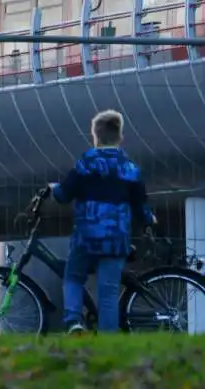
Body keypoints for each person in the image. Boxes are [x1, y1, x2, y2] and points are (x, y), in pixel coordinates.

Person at [48, 109, 156, 335]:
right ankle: (108, 338)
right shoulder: (129, 169)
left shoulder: (85, 164)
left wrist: (53, 189)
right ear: (121, 137)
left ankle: (74, 321)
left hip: (86, 236)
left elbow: (64, 195)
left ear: (94, 137)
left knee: (73, 277)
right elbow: (139, 205)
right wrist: (149, 219)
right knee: (108, 291)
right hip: (116, 239)